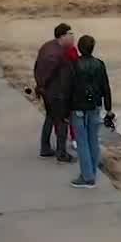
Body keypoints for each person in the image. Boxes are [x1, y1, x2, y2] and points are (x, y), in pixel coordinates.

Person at [65, 34, 113, 188]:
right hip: (95, 107)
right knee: (93, 141)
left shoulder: (74, 65)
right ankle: (91, 173)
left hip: (78, 107)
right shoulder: (99, 64)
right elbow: (106, 87)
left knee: (82, 142)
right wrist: (109, 108)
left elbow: (69, 89)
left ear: (79, 48)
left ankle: (87, 177)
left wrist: (65, 111)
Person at [32, 23, 76, 162]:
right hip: (56, 94)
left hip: (48, 92)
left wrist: (40, 87)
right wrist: (42, 86)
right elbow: (47, 73)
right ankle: (61, 153)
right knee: (62, 121)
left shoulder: (48, 46)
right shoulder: (56, 54)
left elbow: (37, 67)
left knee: (50, 117)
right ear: (63, 36)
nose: (73, 37)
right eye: (70, 34)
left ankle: (45, 148)